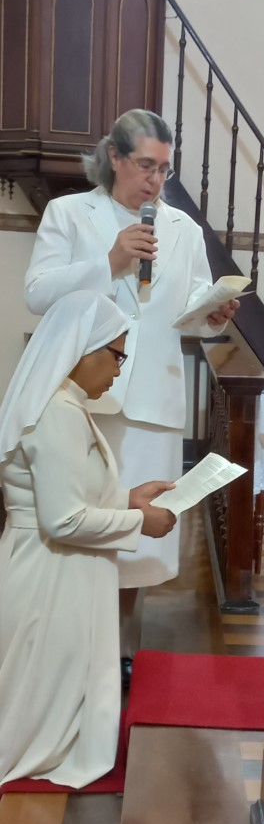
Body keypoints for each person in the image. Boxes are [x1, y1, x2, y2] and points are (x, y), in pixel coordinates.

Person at [24, 108, 238, 670]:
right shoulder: (70, 213)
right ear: (114, 157)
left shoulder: (183, 228)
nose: (155, 179)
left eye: (164, 169)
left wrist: (211, 315)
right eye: (145, 165)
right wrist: (110, 261)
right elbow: (38, 293)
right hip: (85, 391)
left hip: (153, 398)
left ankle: (121, 653)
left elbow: (186, 312)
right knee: (84, 518)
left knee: (139, 534)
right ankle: (69, 649)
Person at [0, 292, 176, 788]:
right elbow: (62, 520)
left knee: (47, 690)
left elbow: (65, 494)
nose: (119, 370)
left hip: (53, 567)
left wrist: (128, 498)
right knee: (39, 701)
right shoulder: (57, 411)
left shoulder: (61, 404)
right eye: (116, 356)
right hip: (49, 575)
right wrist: (139, 522)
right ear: (82, 347)